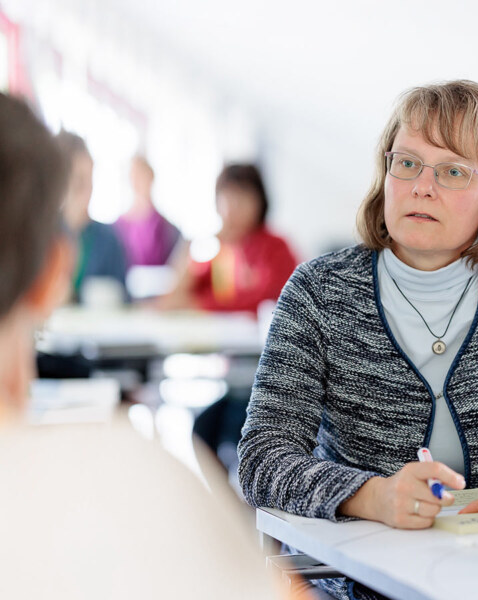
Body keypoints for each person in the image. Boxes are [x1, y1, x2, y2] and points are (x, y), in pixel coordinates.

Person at [238, 80, 478, 600]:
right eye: (407, 163)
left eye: (453, 172)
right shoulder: (319, 291)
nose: (422, 186)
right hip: (357, 583)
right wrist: (370, 496)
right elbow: (262, 457)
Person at [0, 93, 282, 600]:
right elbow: (181, 290)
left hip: (254, 378)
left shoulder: (272, 249)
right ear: (53, 275)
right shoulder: (135, 486)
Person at [158, 164, 297, 314]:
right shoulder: (216, 248)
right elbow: (177, 296)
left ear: (260, 201)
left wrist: (201, 305)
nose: (234, 207)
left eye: (242, 197)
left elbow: (269, 300)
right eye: (228, 198)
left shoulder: (275, 246)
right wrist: (193, 248)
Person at [56, 130, 129, 305]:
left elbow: (126, 301)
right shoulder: (41, 235)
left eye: (91, 182)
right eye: (79, 182)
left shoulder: (108, 239)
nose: (88, 192)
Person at [114, 154, 181, 267]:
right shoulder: (118, 226)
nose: (137, 182)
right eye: (134, 177)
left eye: (141, 176)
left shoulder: (165, 227)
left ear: (151, 178)